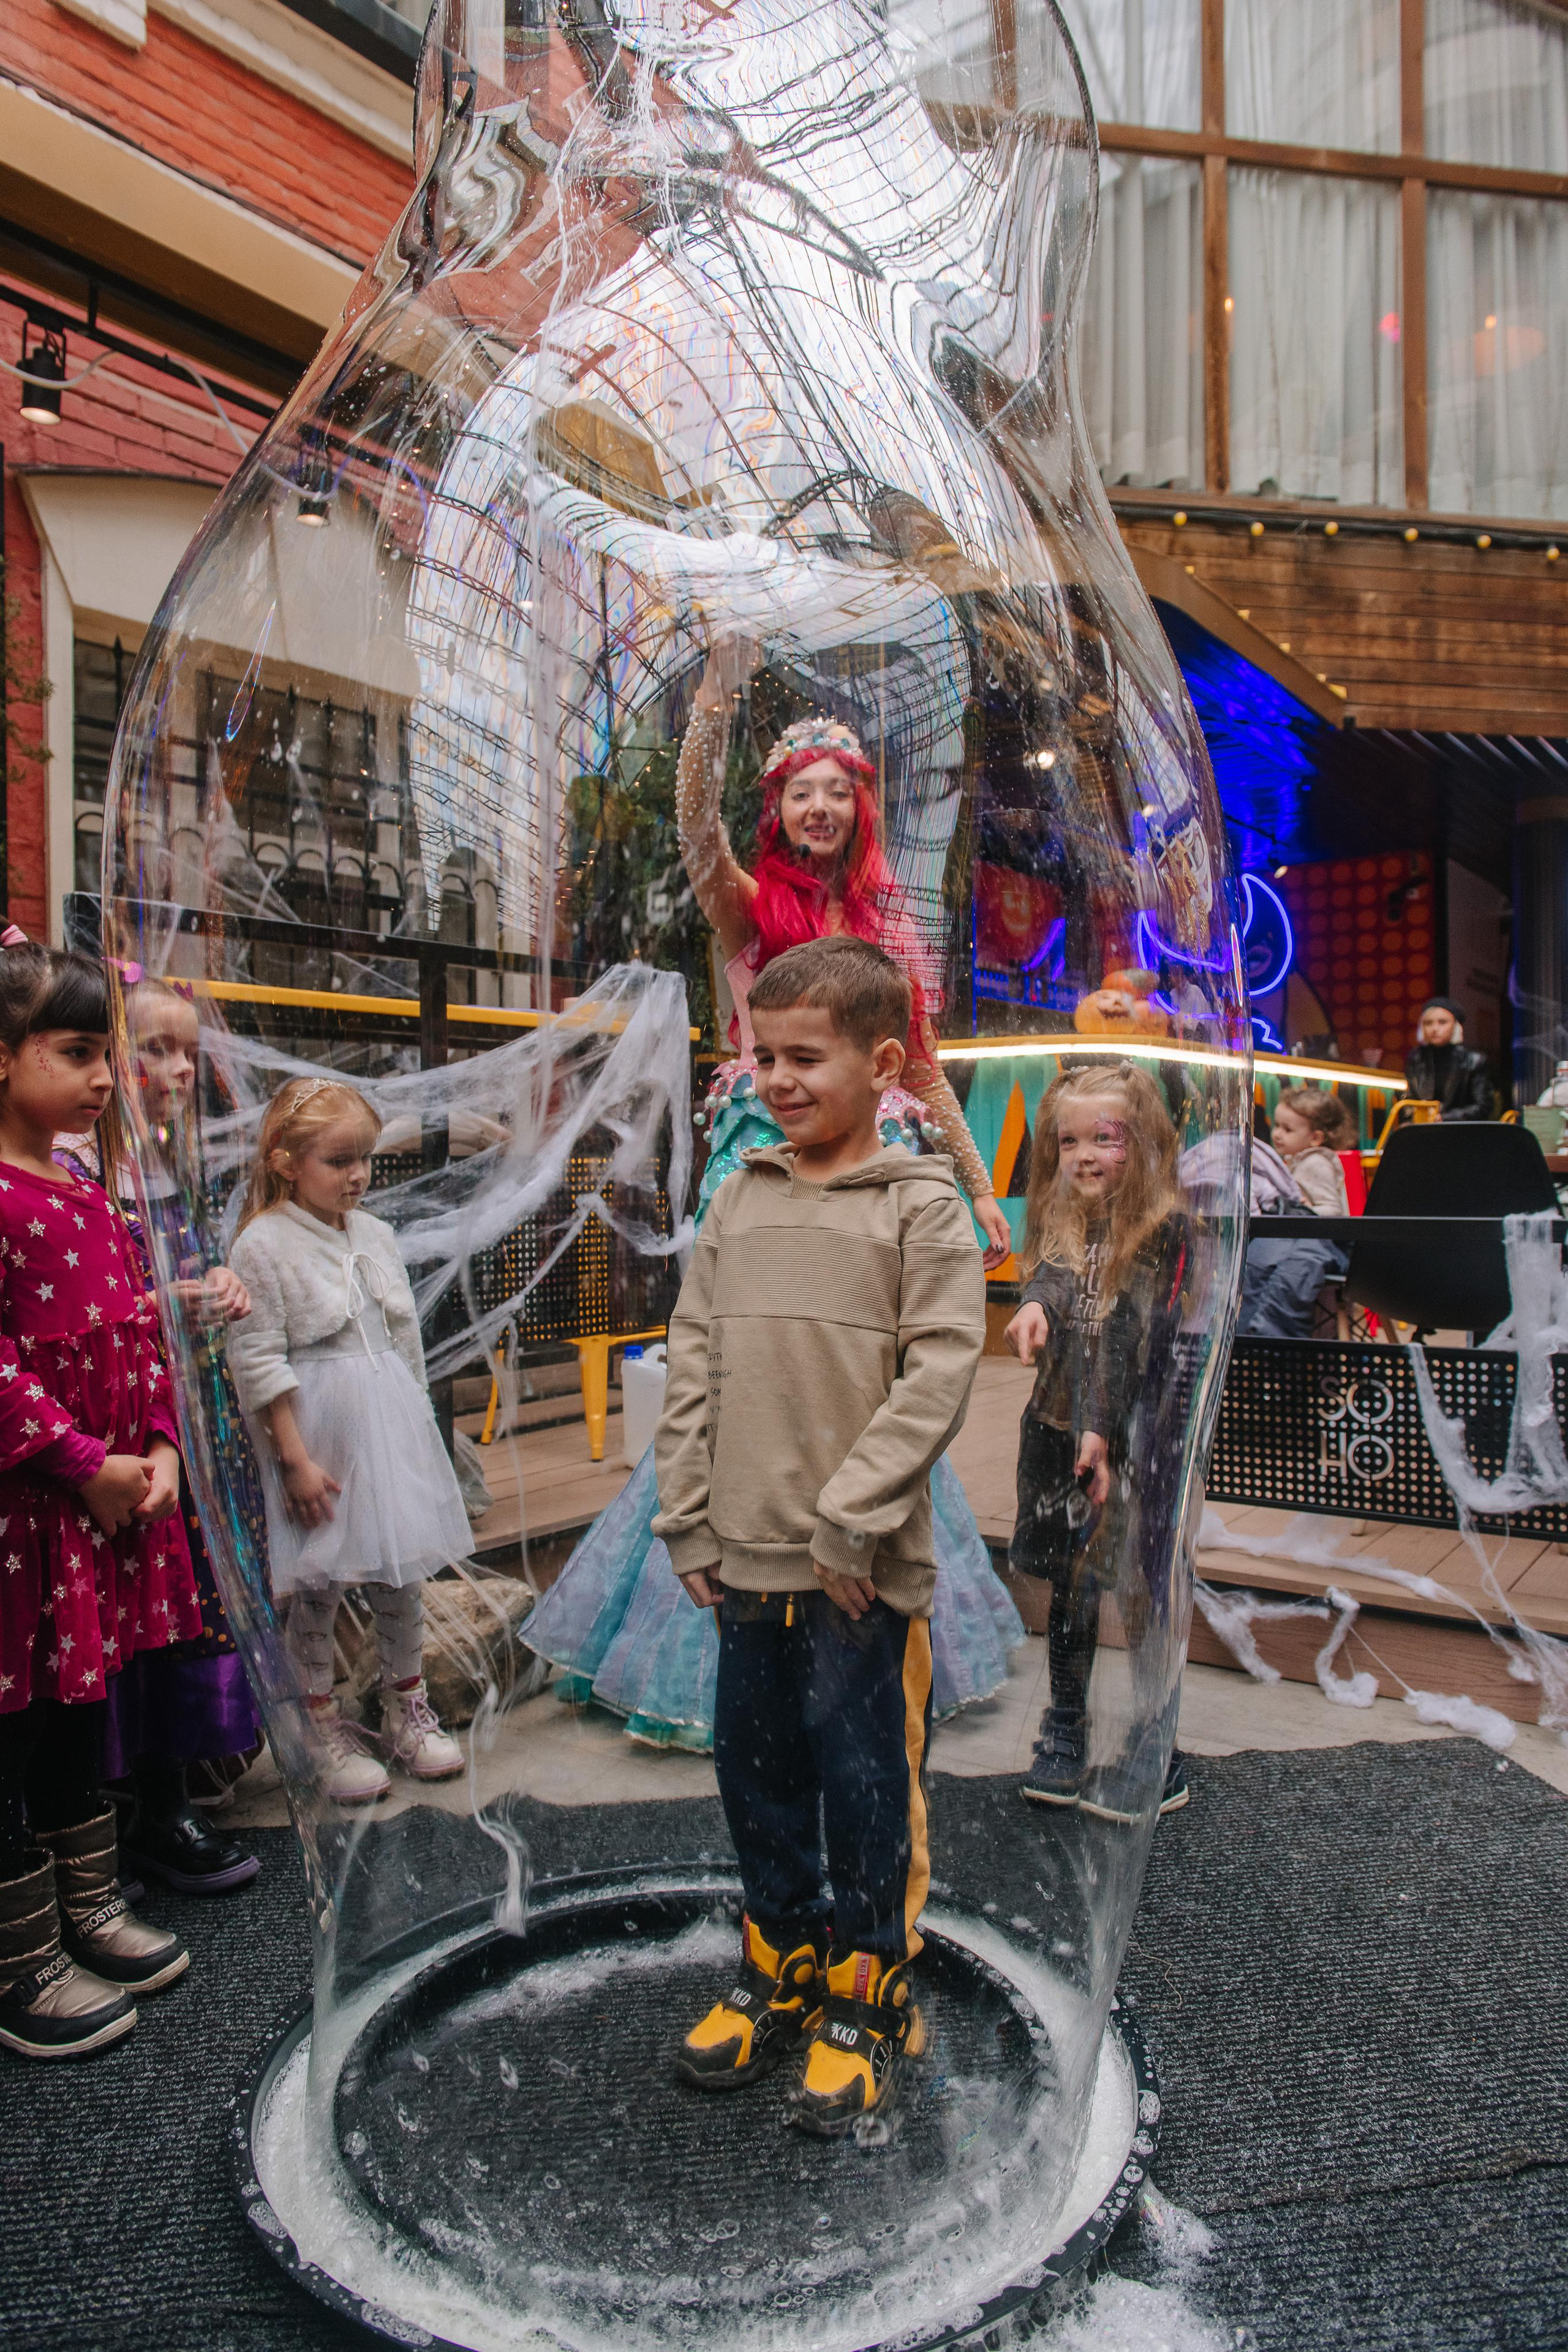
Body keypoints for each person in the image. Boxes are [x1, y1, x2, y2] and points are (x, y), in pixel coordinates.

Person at [523, 638, 1023, 1746]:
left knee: (867, 1373)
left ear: (862, 808)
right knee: (750, 1373)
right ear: (776, 807)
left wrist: (981, 1189)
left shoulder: (891, 929)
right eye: (799, 791)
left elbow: (926, 1064)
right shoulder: (750, 912)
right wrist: (710, 708)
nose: (819, 807)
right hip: (769, 1159)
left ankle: (876, 1619)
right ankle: (723, 1630)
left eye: (837, 792)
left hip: (880, 1178)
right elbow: (695, 832)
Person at [659, 937, 986, 2133]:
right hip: (742, 1558)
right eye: (763, 1057)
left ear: (883, 1062)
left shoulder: (920, 1208)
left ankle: (867, 1984)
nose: (777, 1080)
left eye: (806, 1057)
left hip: (860, 1578)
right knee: (753, 1770)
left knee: (863, 1783)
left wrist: (852, 1519)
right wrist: (684, 1513)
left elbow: (939, 1373)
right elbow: (691, 1362)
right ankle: (779, 1952)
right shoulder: (740, 1198)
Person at [0, 939, 201, 2060]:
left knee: (81, 1705)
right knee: (15, 1724)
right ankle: (21, 1956)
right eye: (79, 1054)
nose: (104, 1078)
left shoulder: (80, 1183)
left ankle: (88, 1903)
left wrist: (162, 1442)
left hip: (100, 1508)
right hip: (29, 1514)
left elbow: (137, 1323)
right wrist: (83, 1457)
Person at [58, 976, 263, 1896]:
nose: (176, 1071)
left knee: (187, 1599)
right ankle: (111, 1808)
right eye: (153, 1050)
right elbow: (88, 1307)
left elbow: (191, 1268)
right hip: (113, 1424)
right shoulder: (80, 1172)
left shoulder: (175, 1164)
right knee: (125, 1612)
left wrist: (219, 1289)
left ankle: (166, 1795)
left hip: (188, 1417)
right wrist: (159, 1307)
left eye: (187, 1053)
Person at [225, 1076, 468, 1806]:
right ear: (286, 1161)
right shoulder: (263, 1245)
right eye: (339, 1161)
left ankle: (405, 1707)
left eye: (365, 1158)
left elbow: (403, 1337)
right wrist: (293, 1461)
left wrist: (420, 1424)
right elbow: (258, 1357)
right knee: (320, 1584)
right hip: (321, 1435)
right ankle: (319, 1724)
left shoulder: (377, 1235)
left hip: (387, 1422)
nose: (358, 1175)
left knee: (403, 1574)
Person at [1003, 1063, 1191, 1822]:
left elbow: (1126, 1336)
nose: (1083, 1155)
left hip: (1130, 1438)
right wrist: (1033, 1309)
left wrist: (1102, 1432)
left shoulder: (1162, 1228)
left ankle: (1156, 1731)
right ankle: (1066, 1722)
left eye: (1104, 1139)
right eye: (1069, 1139)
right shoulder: (1063, 1213)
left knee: (1141, 1584)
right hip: (1057, 1427)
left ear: (1141, 1144)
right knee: (1070, 1587)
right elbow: (1050, 1274)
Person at [1235, 1085, 1353, 1341]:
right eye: (1276, 1126)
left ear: (1316, 1139)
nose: (1277, 1134)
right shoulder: (1300, 1161)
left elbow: (1331, 1211)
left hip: (1322, 1244)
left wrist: (1301, 1208)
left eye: (1288, 1130)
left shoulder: (1315, 1163)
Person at [1404, 999, 1492, 1122]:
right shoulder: (1416, 1058)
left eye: (1442, 1022)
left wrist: (1444, 1118)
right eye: (1428, 1023)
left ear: (1456, 1025)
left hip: (1460, 1131)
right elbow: (1408, 1100)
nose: (1435, 1028)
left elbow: (1484, 1106)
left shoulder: (1474, 1060)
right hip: (1423, 1129)